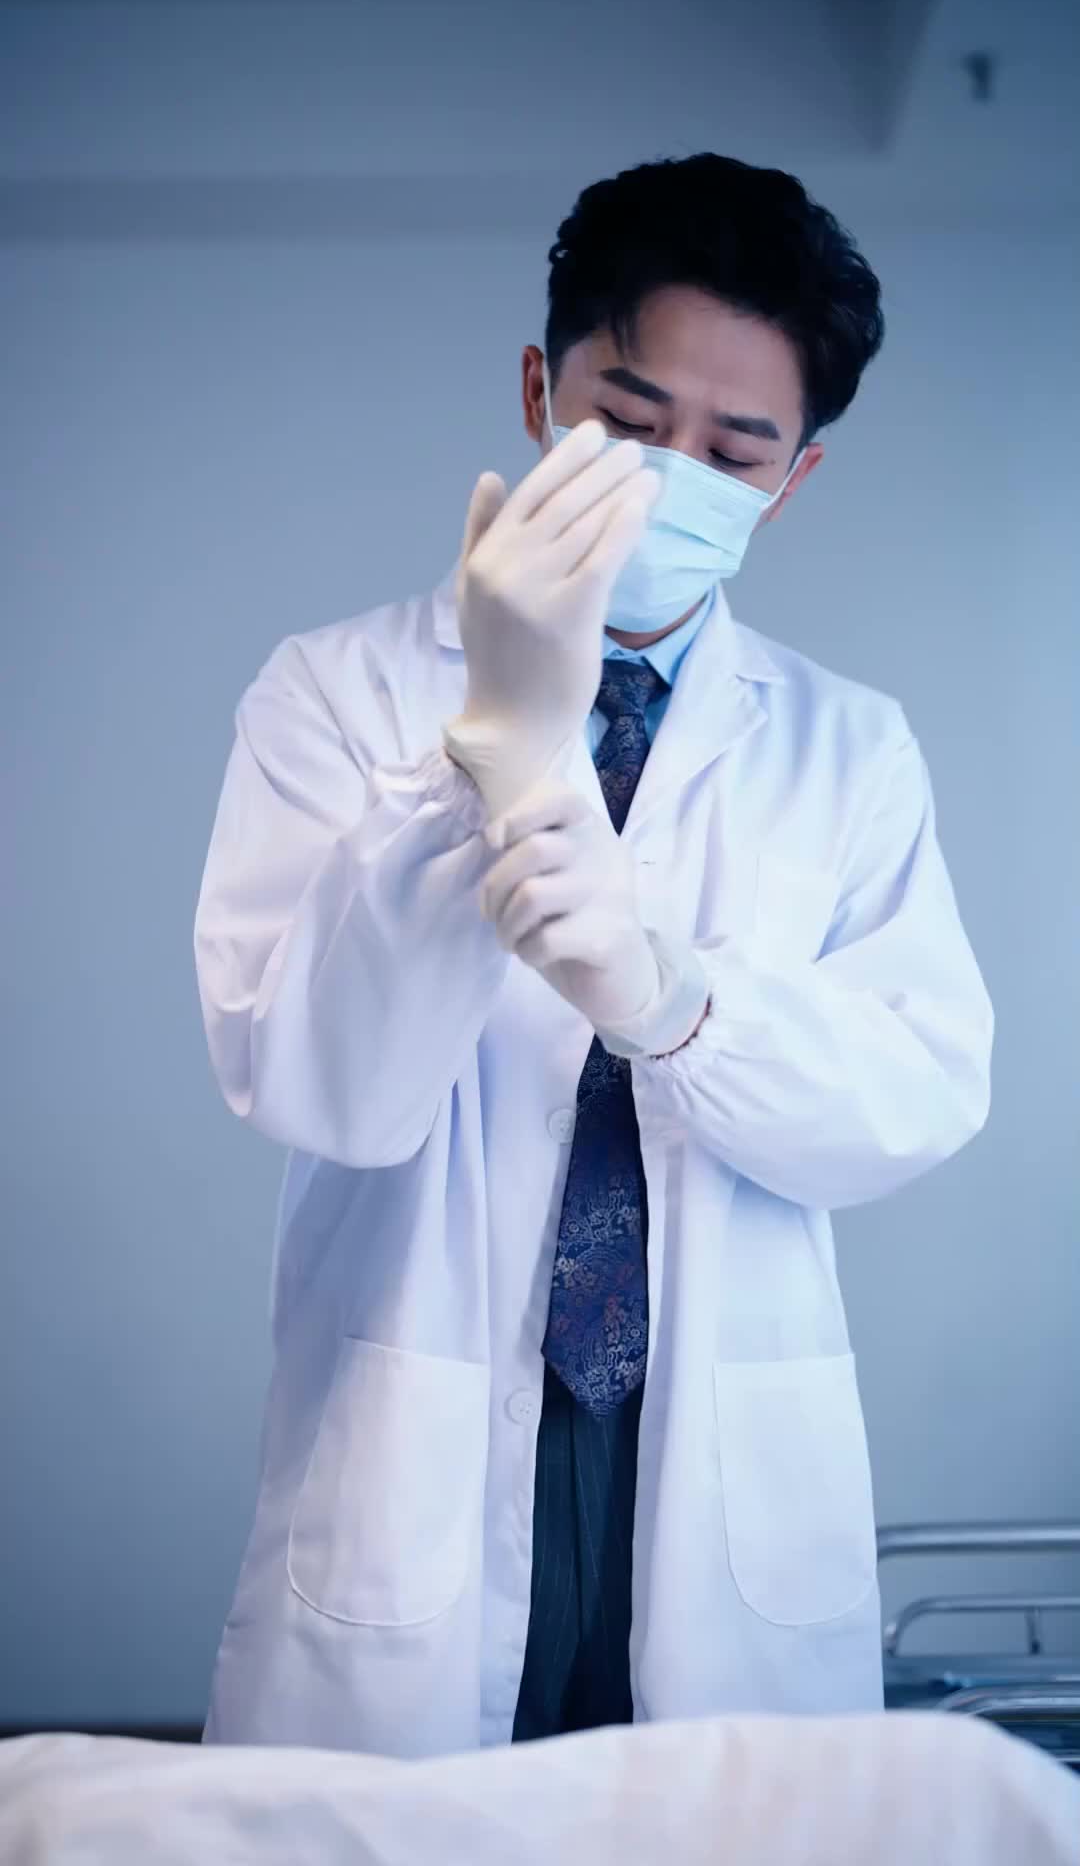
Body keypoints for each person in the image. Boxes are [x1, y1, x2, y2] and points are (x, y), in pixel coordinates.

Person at [194, 153, 993, 1756]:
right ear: (537, 390)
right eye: (628, 422)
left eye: (732, 452)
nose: (668, 479)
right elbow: (320, 1092)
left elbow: (917, 1097)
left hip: (715, 1449)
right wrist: (484, 751)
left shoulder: (849, 747)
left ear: (791, 481)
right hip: (416, 1435)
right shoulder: (337, 693)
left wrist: (682, 1005)